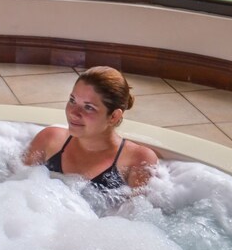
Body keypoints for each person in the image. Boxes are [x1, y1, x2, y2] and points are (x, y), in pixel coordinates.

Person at [24, 66, 158, 189]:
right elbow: (16, 184)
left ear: (114, 117)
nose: (73, 113)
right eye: (72, 100)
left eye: (89, 107)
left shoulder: (137, 159)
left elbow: (137, 212)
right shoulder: (50, 138)